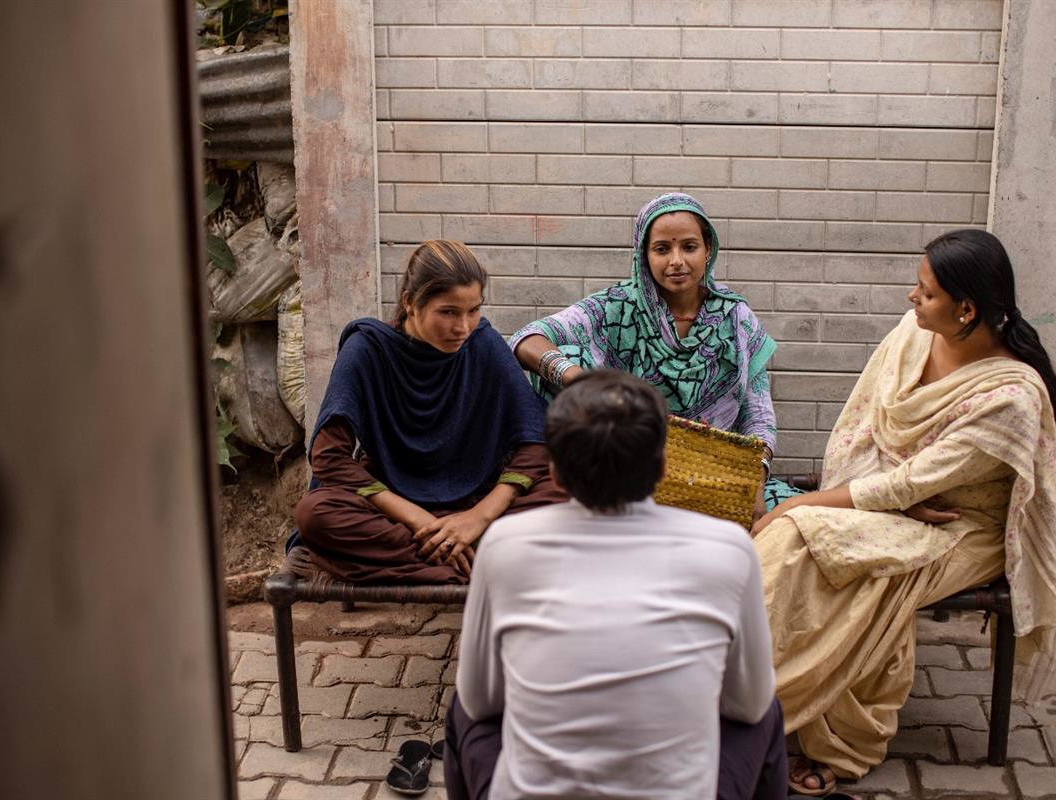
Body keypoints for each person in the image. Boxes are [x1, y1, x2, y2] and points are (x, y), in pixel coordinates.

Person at [751, 229, 1056, 796]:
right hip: (892, 498)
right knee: (794, 550)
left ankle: (825, 731)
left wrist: (803, 501)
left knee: (819, 545)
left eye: (925, 292)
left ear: (967, 309)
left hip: (960, 528)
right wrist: (887, 496)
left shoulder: (1011, 399)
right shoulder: (914, 335)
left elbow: (909, 482)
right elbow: (866, 431)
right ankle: (743, 684)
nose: (911, 300)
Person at [446, 370, 786, 800]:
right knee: (767, 710)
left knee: (461, 706)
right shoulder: (728, 547)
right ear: (664, 467)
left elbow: (481, 702)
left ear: (556, 474)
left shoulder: (505, 544)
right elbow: (748, 704)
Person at [294, 240, 567, 585]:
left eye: (473, 310)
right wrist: (419, 520)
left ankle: (446, 558)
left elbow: (536, 441)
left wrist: (479, 517)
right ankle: (477, 558)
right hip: (395, 505)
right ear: (410, 302)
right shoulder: (368, 349)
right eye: (448, 312)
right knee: (316, 515)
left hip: (478, 498)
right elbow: (329, 457)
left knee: (572, 488)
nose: (463, 327)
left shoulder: (482, 342)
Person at [509, 192, 796, 515]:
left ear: (708, 251)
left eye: (689, 247)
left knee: (791, 523)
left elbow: (758, 414)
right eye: (662, 249)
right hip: (629, 472)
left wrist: (755, 481)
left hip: (713, 477)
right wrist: (581, 382)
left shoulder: (735, 317)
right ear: (642, 255)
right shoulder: (616, 308)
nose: (676, 261)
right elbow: (526, 339)